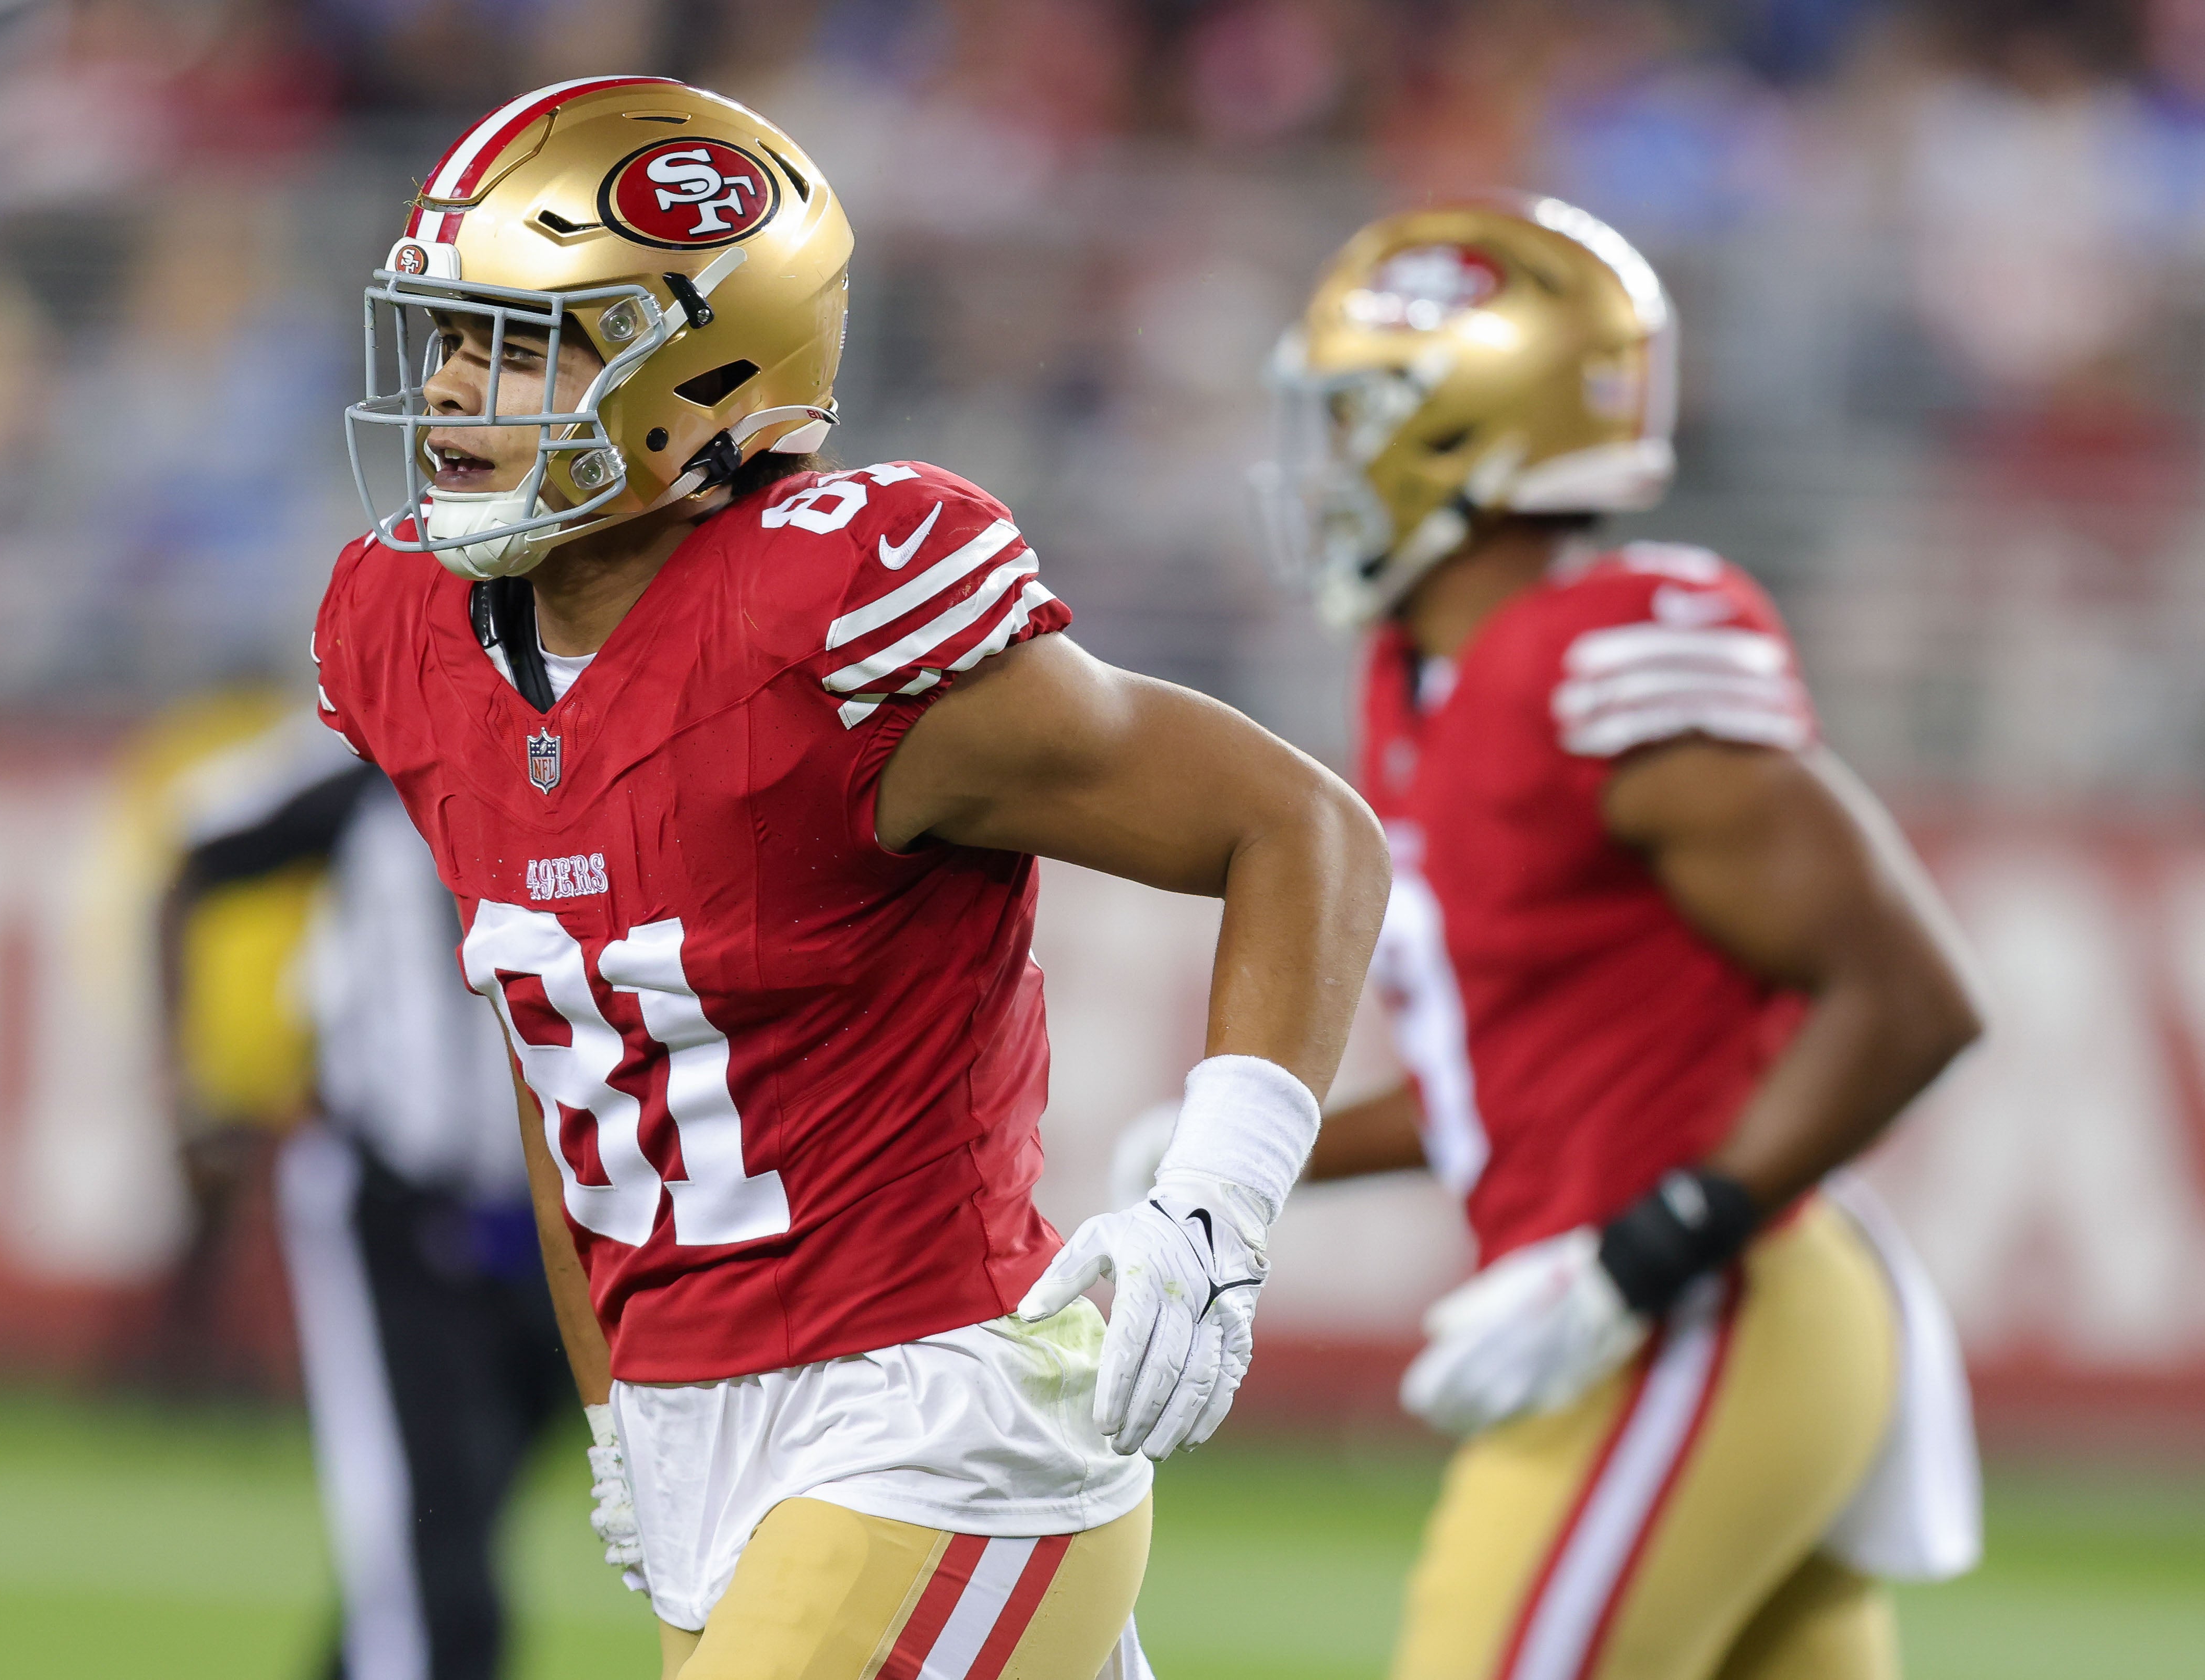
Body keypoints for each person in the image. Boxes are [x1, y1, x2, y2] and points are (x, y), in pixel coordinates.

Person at [311, 77, 1391, 1680]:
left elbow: (1300, 828)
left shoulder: (829, 617)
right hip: (696, 1428)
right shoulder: (405, 632)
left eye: (526, 343)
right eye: (454, 335)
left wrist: (1218, 1203)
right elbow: (568, 1049)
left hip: (932, 1413)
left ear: (703, 369)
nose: (461, 388)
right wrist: (615, 1406)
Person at [1241, 199, 1987, 1680]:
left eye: (1350, 418)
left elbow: (1909, 994)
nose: (1315, 463)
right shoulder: (1423, 676)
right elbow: (1510, 1082)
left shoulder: (1587, 655)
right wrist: (1252, 1154)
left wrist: (1637, 1261)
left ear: (1456, 431)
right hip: (1696, 1302)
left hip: (1712, 1302)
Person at [161, 713, 575, 1680]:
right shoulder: (375, 742)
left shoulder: (603, 734)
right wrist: (190, 1083)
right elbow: (197, 852)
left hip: (555, 1222)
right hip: (391, 1204)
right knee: (436, 1586)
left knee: (443, 1542)